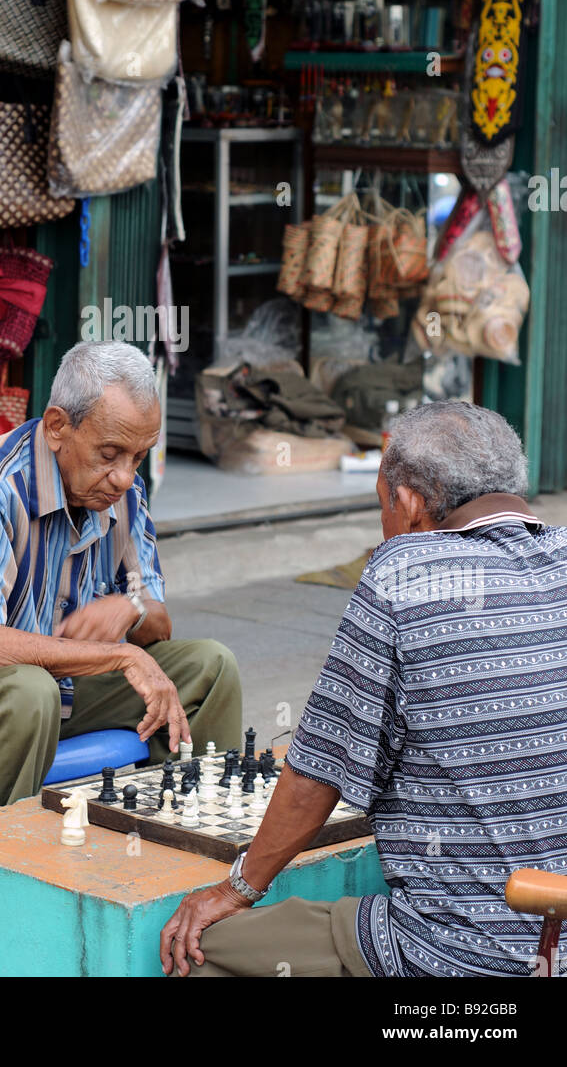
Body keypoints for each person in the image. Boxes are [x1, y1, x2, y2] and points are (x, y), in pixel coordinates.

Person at [162, 401, 567, 978]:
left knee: (199, 953)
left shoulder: (404, 571)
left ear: (409, 505)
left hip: (461, 955)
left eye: (382, 508)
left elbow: (315, 777)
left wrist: (234, 889)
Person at [0, 341, 241, 808]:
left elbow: (158, 622)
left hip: (55, 689)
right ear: (58, 426)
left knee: (210, 667)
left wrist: (132, 607)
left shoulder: (125, 493)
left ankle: (186, 840)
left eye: (137, 458)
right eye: (111, 453)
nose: (123, 476)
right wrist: (119, 657)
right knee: (30, 691)